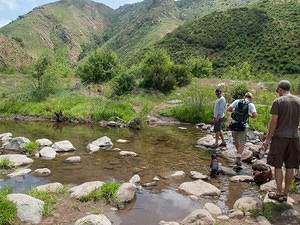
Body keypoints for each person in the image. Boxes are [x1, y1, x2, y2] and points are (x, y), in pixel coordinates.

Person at [262, 80, 300, 202]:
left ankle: (278, 193)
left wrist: (267, 139)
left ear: (280, 89)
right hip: (294, 137)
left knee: (277, 165)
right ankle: (286, 193)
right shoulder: (298, 101)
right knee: (290, 166)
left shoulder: (278, 101)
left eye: (277, 90)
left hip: (280, 138)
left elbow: (274, 122)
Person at [227, 92, 257, 166]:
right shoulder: (251, 104)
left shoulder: (237, 101)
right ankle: (239, 157)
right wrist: (249, 115)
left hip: (234, 124)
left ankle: (238, 153)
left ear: (244, 97)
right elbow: (255, 115)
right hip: (243, 125)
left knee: (235, 140)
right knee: (242, 141)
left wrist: (235, 112)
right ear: (250, 98)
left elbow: (229, 109)